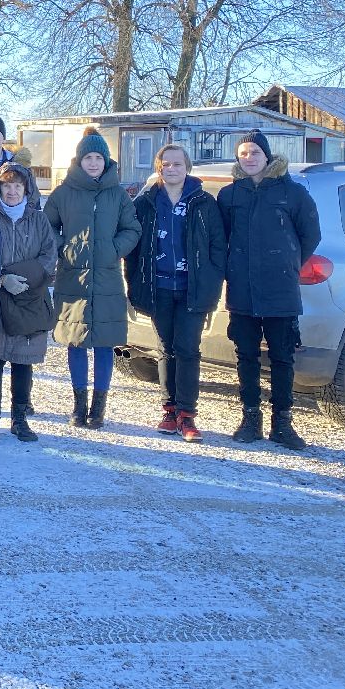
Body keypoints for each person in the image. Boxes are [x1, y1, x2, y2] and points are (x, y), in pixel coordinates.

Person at [218, 129, 320, 450]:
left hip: (280, 289)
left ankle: (282, 422)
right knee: (246, 355)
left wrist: (288, 263)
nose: (249, 158)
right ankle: (251, 419)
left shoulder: (292, 194)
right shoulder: (230, 196)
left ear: (267, 156)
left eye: (255, 153)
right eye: (244, 153)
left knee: (282, 357)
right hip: (243, 290)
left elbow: (310, 235)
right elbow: (221, 240)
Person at [126, 144, 226, 443]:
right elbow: (134, 249)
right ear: (158, 168)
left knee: (188, 349)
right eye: (165, 164)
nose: (171, 169)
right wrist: (136, 281)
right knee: (166, 349)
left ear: (187, 167)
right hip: (159, 287)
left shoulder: (204, 203)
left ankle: (187, 414)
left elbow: (218, 247)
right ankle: (169, 410)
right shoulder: (146, 203)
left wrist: (211, 279)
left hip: (192, 289)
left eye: (177, 164)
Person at [43, 127, 140, 430]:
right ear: (80, 160)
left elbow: (132, 229)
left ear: (106, 161)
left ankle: (99, 407)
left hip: (108, 279)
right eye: (88, 157)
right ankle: (79, 404)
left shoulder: (118, 194)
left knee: (104, 343)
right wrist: (66, 249)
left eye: (99, 157)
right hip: (72, 279)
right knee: (76, 341)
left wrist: (114, 249)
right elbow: (47, 228)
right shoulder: (63, 193)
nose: (94, 162)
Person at [0, 160, 56, 443]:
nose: (11, 191)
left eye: (17, 185)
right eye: (6, 185)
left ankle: (20, 418)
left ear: (26, 188)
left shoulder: (38, 218)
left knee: (23, 360)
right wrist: (0, 278)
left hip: (29, 296)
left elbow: (49, 254)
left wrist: (27, 279)